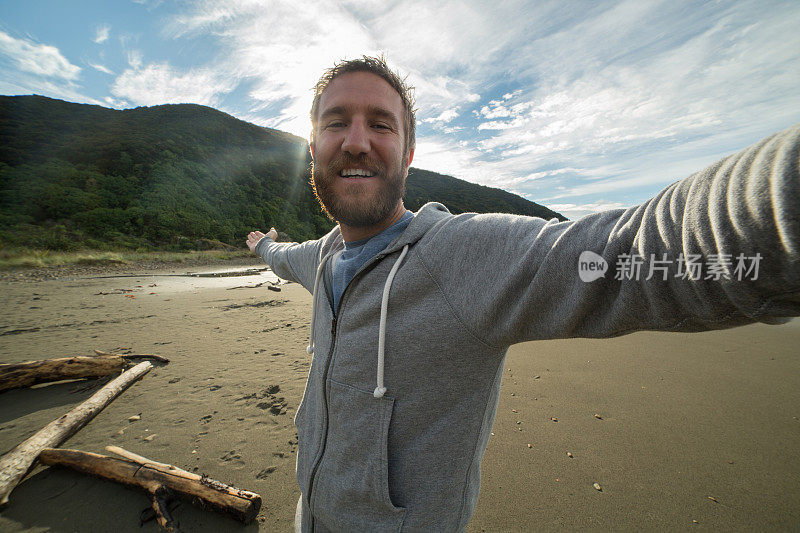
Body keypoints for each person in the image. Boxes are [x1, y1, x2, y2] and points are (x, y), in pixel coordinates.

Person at [246, 56, 800, 532]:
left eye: (382, 125)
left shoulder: (461, 258)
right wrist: (262, 245)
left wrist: (779, 209)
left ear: (409, 153)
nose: (357, 141)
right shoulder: (319, 259)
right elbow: (281, 257)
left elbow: (630, 248)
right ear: (313, 145)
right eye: (336, 122)